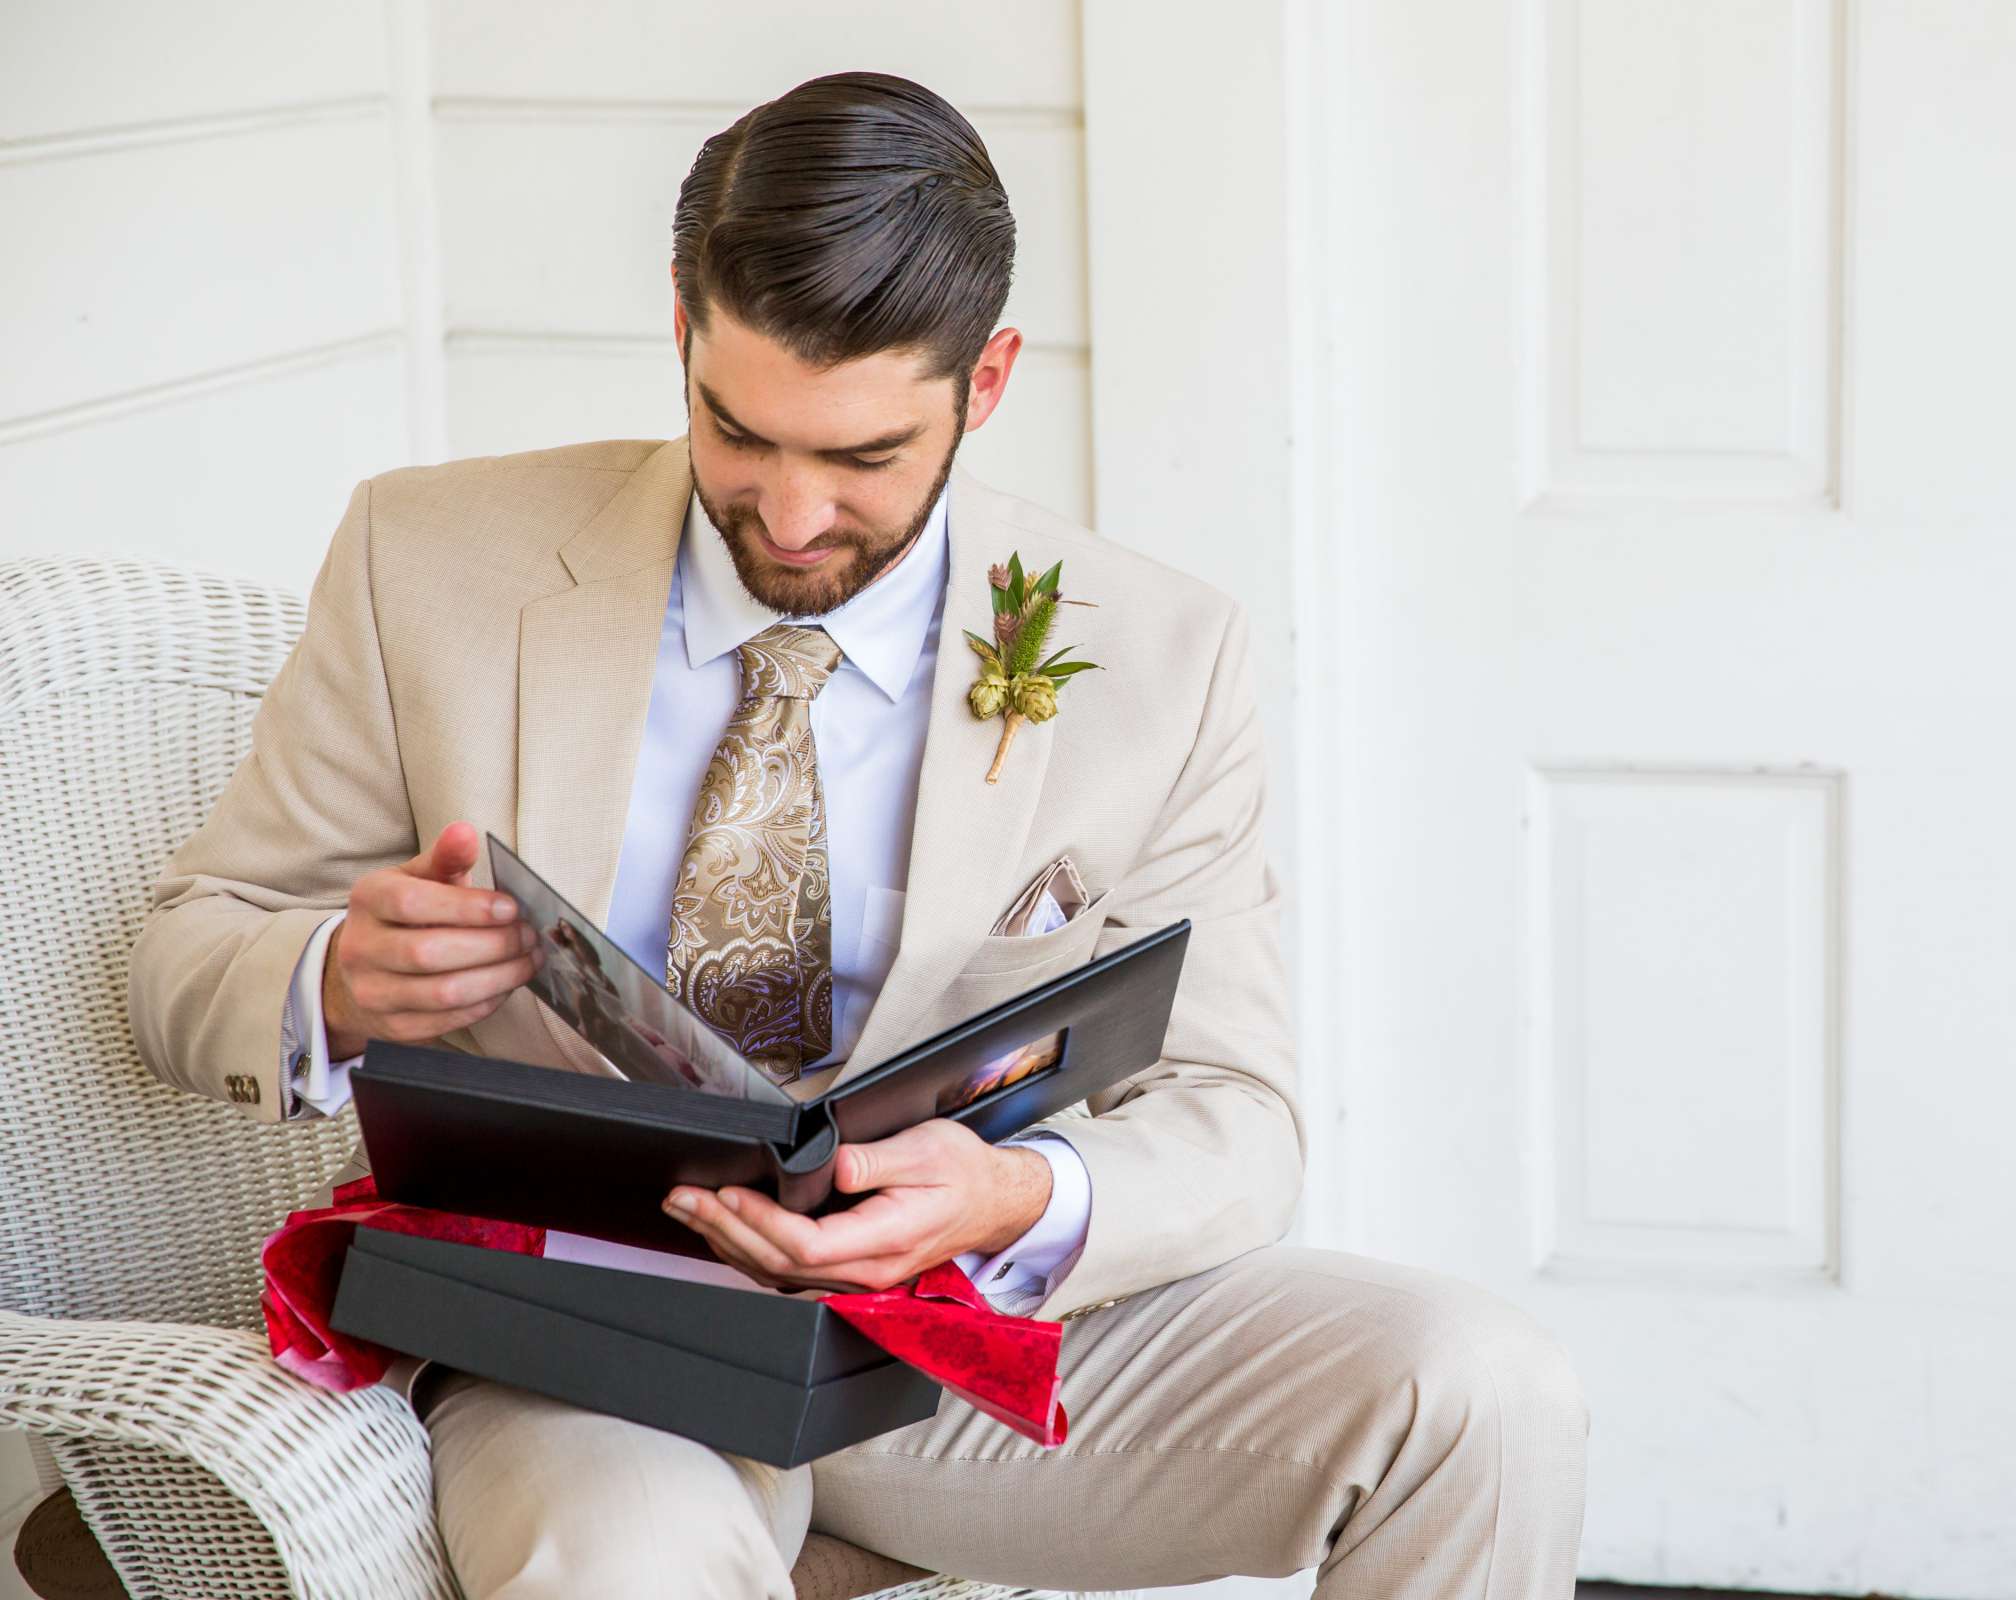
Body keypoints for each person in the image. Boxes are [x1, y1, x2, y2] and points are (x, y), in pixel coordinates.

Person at [128, 70, 1587, 1598]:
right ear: (683, 328)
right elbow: (189, 949)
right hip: (586, 1351)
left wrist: (1018, 1196)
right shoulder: (422, 559)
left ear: (990, 380)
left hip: (958, 1347)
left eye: (866, 459)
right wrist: (331, 982)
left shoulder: (1161, 657)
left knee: (1487, 1395)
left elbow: (1237, 1110)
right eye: (739, 432)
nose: (794, 514)